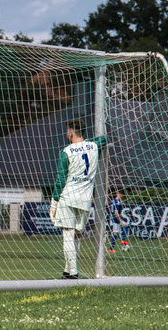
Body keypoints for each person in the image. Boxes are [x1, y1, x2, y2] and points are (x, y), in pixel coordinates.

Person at [49, 119, 106, 279]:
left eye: (68, 131)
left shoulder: (66, 152)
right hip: (85, 200)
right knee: (77, 235)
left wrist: (54, 203)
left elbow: (60, 180)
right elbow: (103, 139)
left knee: (68, 234)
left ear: (71, 132)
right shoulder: (94, 146)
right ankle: (68, 270)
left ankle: (72, 272)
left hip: (68, 198)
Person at [108, 189, 129, 253]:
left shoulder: (113, 201)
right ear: (118, 194)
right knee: (117, 232)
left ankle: (111, 249)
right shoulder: (117, 202)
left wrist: (121, 217)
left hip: (113, 218)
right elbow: (116, 212)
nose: (122, 196)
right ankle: (122, 240)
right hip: (115, 219)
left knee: (116, 233)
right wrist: (120, 221)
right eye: (121, 194)